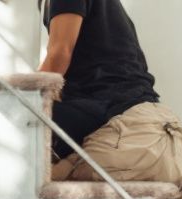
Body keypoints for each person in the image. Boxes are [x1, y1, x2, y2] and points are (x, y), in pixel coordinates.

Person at [39, 0, 162, 161]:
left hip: (108, 106)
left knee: (19, 115)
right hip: (128, 101)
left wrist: (26, 95)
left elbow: (59, 53)